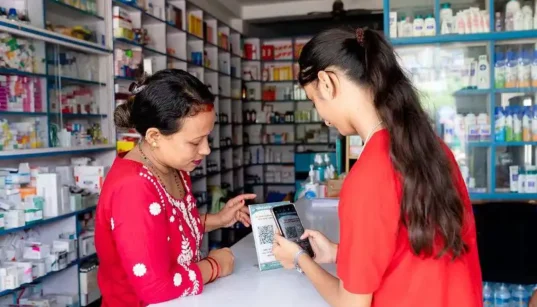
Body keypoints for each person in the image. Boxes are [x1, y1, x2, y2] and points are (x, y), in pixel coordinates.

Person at [272, 27, 482, 307]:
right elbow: (412, 248)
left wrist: (300, 260)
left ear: (326, 83)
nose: (323, 118)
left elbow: (351, 303)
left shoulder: (369, 174)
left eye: (314, 101)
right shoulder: (433, 149)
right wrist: (339, 253)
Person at [95, 69, 256, 307]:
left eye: (207, 137)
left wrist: (218, 219)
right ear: (154, 137)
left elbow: (168, 226)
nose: (206, 150)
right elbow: (156, 289)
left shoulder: (174, 166)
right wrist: (215, 266)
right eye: (194, 142)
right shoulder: (133, 188)